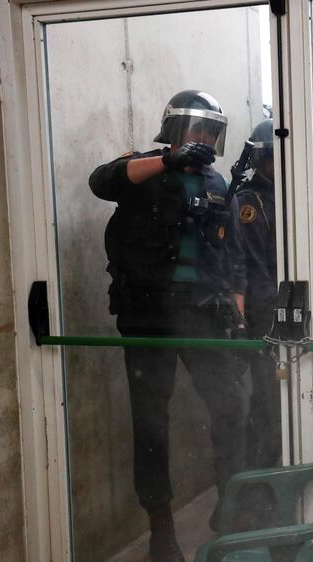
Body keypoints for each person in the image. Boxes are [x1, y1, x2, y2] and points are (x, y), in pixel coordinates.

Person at [89, 90, 247, 562]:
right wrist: (168, 160)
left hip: (202, 312)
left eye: (211, 133)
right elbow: (101, 181)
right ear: (175, 132)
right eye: (196, 131)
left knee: (232, 406)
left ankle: (231, 503)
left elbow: (231, 253)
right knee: (152, 422)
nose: (205, 141)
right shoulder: (145, 170)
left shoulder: (217, 182)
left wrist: (235, 305)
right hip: (149, 314)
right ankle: (161, 525)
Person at [235, 119, 281, 472]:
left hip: (288, 313)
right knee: (268, 402)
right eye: (274, 157)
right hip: (267, 318)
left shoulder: (288, 197)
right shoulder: (249, 202)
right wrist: (271, 319)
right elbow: (254, 267)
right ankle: (259, 479)